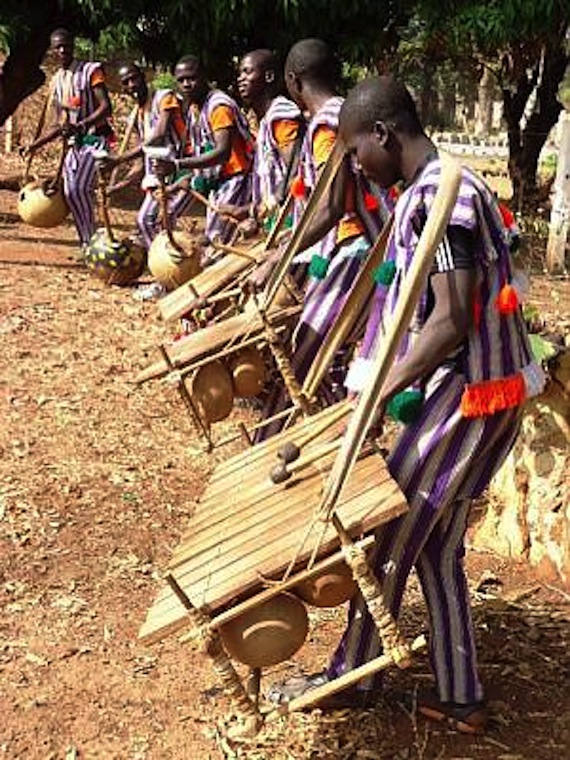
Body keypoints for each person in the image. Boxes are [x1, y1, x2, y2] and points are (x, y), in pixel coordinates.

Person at [269, 76, 545, 733]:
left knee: (390, 535)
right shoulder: (436, 186)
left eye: (356, 151)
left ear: (384, 135)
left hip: (466, 396)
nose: (355, 167)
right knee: (435, 549)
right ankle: (460, 695)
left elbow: (449, 320)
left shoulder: (442, 198)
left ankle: (350, 677)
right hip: (468, 392)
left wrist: (382, 388)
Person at [23, 28, 113, 250]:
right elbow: (59, 125)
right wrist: (34, 145)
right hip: (75, 145)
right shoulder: (57, 81)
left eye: (67, 45)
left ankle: (90, 242)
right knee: (70, 192)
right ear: (52, 51)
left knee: (77, 189)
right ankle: (88, 242)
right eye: (58, 47)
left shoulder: (90, 71)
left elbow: (106, 107)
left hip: (96, 141)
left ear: (73, 46)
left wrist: (81, 125)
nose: (63, 50)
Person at [156, 55, 254, 245]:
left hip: (237, 178)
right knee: (217, 241)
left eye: (191, 78)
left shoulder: (218, 107)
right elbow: (201, 152)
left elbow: (222, 152)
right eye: (181, 80)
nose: (186, 84)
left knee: (217, 243)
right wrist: (179, 183)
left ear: (204, 77)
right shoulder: (196, 109)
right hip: (220, 181)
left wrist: (176, 165)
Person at [103, 63, 190, 251]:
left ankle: (169, 270)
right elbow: (143, 162)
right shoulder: (137, 116)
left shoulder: (164, 98)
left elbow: (159, 135)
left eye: (134, 78)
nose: (132, 85)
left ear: (143, 77)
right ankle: (162, 268)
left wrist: (119, 159)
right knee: (145, 221)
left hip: (179, 172)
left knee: (162, 220)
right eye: (126, 83)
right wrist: (117, 187)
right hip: (157, 179)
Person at [230, 48, 303, 237]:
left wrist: (267, 206)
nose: (240, 79)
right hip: (275, 223)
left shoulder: (281, 115)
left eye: (247, 72)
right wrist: (251, 211)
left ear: (269, 76)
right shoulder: (265, 120)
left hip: (292, 225)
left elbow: (296, 172)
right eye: (240, 73)